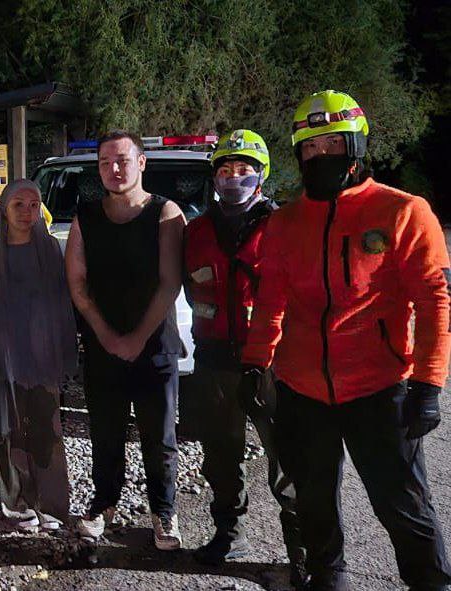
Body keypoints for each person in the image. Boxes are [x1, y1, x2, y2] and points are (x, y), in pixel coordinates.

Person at [238, 90, 451, 591]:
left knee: (402, 503)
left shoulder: (403, 211)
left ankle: (432, 581)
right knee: (313, 500)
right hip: (302, 389)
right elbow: (270, 302)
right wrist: (254, 364)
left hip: (379, 387)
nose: (321, 155)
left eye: (333, 143)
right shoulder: (284, 223)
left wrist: (428, 384)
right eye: (310, 148)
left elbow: (434, 302)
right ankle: (328, 577)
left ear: (355, 146)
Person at [183, 129, 307, 583]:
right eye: (225, 169)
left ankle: (302, 551)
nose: (233, 177)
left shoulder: (284, 225)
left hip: (272, 363)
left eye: (243, 169)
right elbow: (188, 287)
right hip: (214, 360)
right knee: (220, 454)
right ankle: (228, 533)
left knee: (287, 458)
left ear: (261, 175)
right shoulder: (196, 230)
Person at [66, 130, 185, 549]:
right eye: (105, 162)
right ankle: (103, 505)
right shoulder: (85, 217)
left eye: (122, 160)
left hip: (156, 347)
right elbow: (77, 284)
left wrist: (136, 339)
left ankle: (164, 513)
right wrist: (106, 335)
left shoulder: (166, 213)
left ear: (141, 163)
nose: (114, 169)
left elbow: (170, 282)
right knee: (105, 434)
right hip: (103, 348)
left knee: (160, 437)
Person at [0, 179, 76, 533]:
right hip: (4, 356)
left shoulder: (50, 249)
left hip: (42, 356)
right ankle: (16, 503)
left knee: (47, 430)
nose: (26, 212)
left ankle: (50, 504)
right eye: (18, 204)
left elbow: (63, 304)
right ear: (4, 209)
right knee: (9, 431)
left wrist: (64, 352)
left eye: (34, 205)